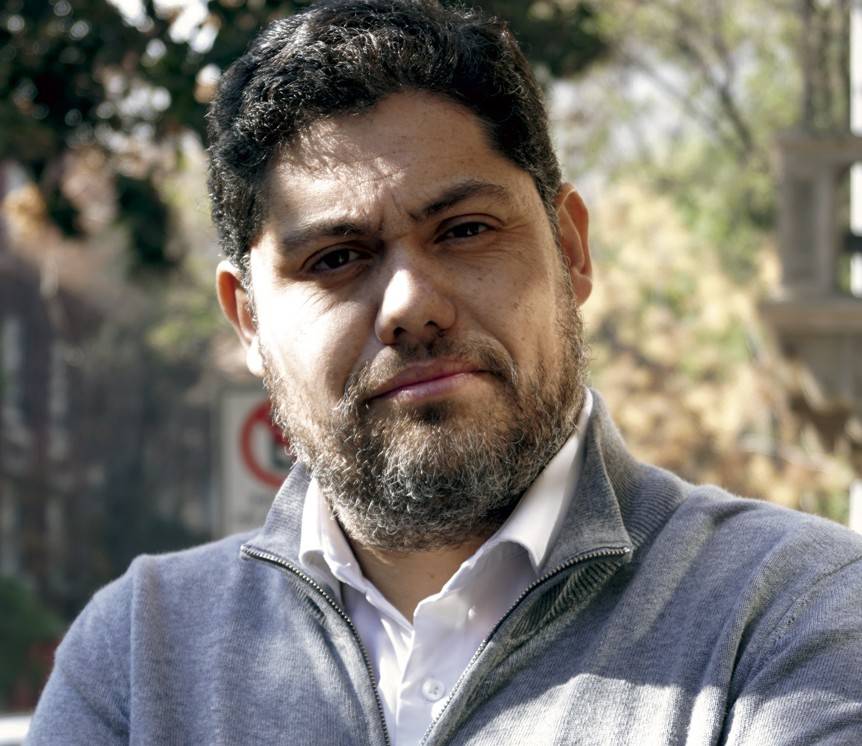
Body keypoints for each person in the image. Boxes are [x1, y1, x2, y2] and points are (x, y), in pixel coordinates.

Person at [28, 1, 862, 744]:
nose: (411, 306)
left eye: (464, 231)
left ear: (571, 250)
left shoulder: (791, 610)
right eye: (336, 257)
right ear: (248, 319)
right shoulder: (137, 657)